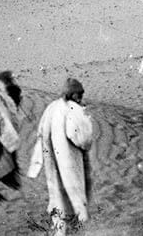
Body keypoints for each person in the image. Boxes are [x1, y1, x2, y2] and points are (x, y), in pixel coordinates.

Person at [27, 78, 94, 235]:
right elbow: (82, 139)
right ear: (72, 94)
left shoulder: (51, 107)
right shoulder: (72, 109)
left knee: (57, 197)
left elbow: (40, 134)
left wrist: (36, 163)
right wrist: (85, 119)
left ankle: (59, 230)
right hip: (68, 162)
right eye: (79, 94)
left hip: (52, 162)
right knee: (73, 198)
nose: (80, 97)